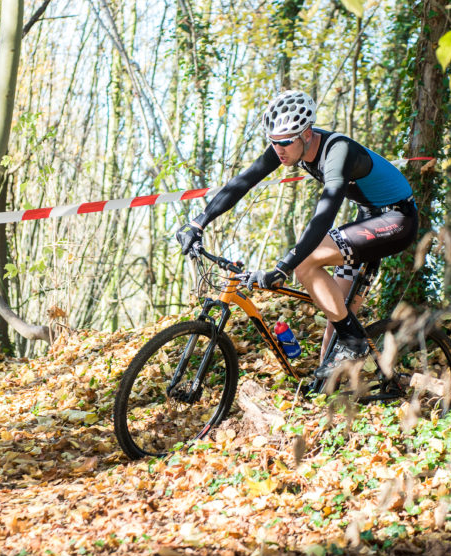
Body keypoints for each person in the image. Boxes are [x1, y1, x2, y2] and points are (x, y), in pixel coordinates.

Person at [175, 90, 419, 379]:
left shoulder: (338, 151)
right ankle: (337, 400)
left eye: (286, 142)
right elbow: (242, 182)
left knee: (306, 264)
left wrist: (284, 266)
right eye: (273, 142)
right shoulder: (287, 147)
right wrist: (199, 223)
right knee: (335, 323)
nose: (279, 150)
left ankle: (354, 342)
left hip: (396, 220)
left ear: (306, 133)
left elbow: (325, 214)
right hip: (367, 218)